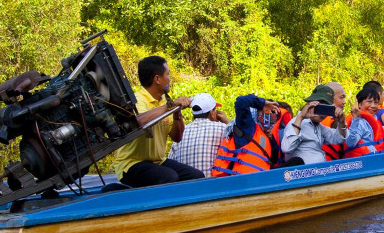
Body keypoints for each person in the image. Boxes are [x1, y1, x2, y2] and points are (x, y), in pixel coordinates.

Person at [113, 56, 204, 188]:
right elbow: (139, 121)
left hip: (157, 162)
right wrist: (168, 107)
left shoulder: (164, 102)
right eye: (167, 74)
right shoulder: (137, 100)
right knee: (168, 177)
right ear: (157, 79)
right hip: (131, 164)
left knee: (196, 176)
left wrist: (177, 113)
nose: (169, 79)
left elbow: (177, 137)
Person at [281, 85, 362, 166]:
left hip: (318, 173)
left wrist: (341, 122)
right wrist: (300, 117)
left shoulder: (317, 126)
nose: (323, 114)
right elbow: (286, 148)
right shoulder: (296, 122)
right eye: (320, 108)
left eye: (326, 109)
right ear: (310, 104)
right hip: (302, 175)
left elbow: (339, 139)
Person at [211, 94, 281, 177]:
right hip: (241, 181)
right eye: (266, 113)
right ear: (257, 114)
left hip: (258, 184)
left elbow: (273, 161)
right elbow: (241, 102)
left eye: (273, 115)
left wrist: (270, 136)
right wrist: (262, 103)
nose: (269, 119)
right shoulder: (247, 127)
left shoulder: (268, 139)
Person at [168, 93, 230, 177]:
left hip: (188, 187)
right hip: (215, 186)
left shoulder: (180, 132)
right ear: (212, 113)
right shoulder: (223, 128)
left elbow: (171, 161)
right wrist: (227, 123)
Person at [343, 86, 384, 157]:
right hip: (364, 162)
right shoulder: (359, 122)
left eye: (376, 103)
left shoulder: (374, 120)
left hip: (374, 158)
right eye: (369, 102)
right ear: (360, 105)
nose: (373, 106)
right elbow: (351, 143)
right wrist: (355, 119)